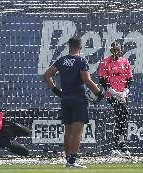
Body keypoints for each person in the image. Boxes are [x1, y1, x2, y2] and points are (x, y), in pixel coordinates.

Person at [43, 37, 103, 168]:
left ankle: (68, 160)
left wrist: (55, 90)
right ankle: (72, 160)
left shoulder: (62, 60)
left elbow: (47, 75)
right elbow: (87, 80)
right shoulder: (81, 60)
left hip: (65, 99)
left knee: (68, 131)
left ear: (68, 46)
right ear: (80, 47)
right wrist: (99, 93)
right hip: (78, 99)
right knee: (77, 131)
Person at [98, 42, 133, 157]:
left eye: (118, 50)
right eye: (114, 50)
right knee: (123, 113)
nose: (116, 52)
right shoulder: (105, 62)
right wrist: (114, 92)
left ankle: (119, 146)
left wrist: (125, 92)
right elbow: (103, 80)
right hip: (111, 94)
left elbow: (129, 79)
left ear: (121, 50)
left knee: (122, 117)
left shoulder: (125, 62)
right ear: (111, 50)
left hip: (123, 95)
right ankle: (118, 146)